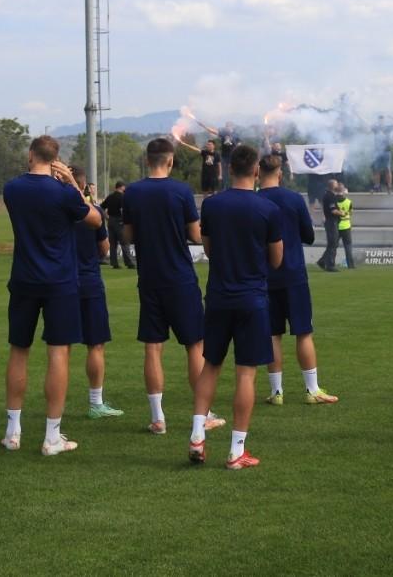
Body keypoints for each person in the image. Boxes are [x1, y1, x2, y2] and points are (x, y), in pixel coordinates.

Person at [2, 135, 103, 456]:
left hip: (24, 278)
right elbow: (95, 219)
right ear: (57, 159)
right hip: (59, 281)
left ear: (31, 155)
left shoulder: (12, 189)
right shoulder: (63, 193)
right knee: (58, 354)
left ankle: (13, 431)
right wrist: (72, 183)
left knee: (19, 351)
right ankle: (51, 436)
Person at [188, 145, 284, 469]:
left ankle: (197, 435)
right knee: (246, 372)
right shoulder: (267, 208)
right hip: (252, 299)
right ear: (256, 170)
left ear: (229, 169)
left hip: (218, 296)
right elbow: (277, 259)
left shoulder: (212, 205)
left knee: (210, 365)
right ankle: (236, 450)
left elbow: (210, 249)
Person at [123, 138, 225, 434]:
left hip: (149, 278)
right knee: (194, 345)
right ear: (169, 161)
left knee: (153, 347)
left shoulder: (133, 192)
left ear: (147, 160)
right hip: (179, 278)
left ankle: (157, 418)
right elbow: (195, 234)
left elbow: (127, 235)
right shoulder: (180, 190)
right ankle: (202, 414)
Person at [257, 154, 339, 406]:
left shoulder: (254, 200)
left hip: (264, 277)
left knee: (273, 335)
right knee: (303, 332)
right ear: (280, 173)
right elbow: (309, 235)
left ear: (259, 174)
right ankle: (311, 390)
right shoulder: (293, 198)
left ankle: (277, 392)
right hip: (293, 274)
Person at [70, 166, 124, 419]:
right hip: (88, 279)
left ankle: (55, 413)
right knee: (95, 344)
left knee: (60, 347)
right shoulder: (94, 212)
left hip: (61, 281)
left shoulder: (54, 211)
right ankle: (96, 402)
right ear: (83, 186)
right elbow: (104, 248)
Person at [99, 181, 135, 269]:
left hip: (110, 220)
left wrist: (106, 217)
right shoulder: (123, 197)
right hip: (119, 220)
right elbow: (123, 210)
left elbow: (101, 207)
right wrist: (125, 220)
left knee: (113, 243)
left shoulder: (110, 197)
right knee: (124, 242)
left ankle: (114, 263)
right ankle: (129, 262)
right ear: (122, 187)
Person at [316, 179, 342, 272]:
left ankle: (322, 261)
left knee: (332, 243)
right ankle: (330, 265)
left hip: (330, 222)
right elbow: (333, 210)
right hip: (332, 222)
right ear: (332, 186)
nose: (338, 185)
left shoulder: (329, 195)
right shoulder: (330, 196)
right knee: (333, 244)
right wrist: (342, 213)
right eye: (336, 184)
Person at [370, 115, 393, 193]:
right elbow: (367, 124)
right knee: (376, 170)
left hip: (387, 151)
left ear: (384, 121)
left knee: (387, 169)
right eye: (379, 120)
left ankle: (389, 186)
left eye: (382, 120)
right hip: (377, 151)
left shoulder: (388, 128)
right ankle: (377, 186)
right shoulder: (376, 128)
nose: (381, 122)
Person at [335, 184, 355, 269]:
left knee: (333, 246)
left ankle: (329, 263)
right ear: (343, 191)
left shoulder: (333, 201)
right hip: (346, 225)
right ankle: (350, 265)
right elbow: (351, 213)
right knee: (348, 246)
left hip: (336, 225)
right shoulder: (349, 202)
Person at [218, 122, 240, 190]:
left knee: (234, 172)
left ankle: (234, 188)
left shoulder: (235, 135)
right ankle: (224, 189)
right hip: (224, 156)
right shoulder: (223, 134)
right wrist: (204, 126)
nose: (227, 127)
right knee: (224, 174)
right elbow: (213, 131)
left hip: (233, 156)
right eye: (226, 126)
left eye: (229, 126)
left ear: (232, 127)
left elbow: (239, 144)